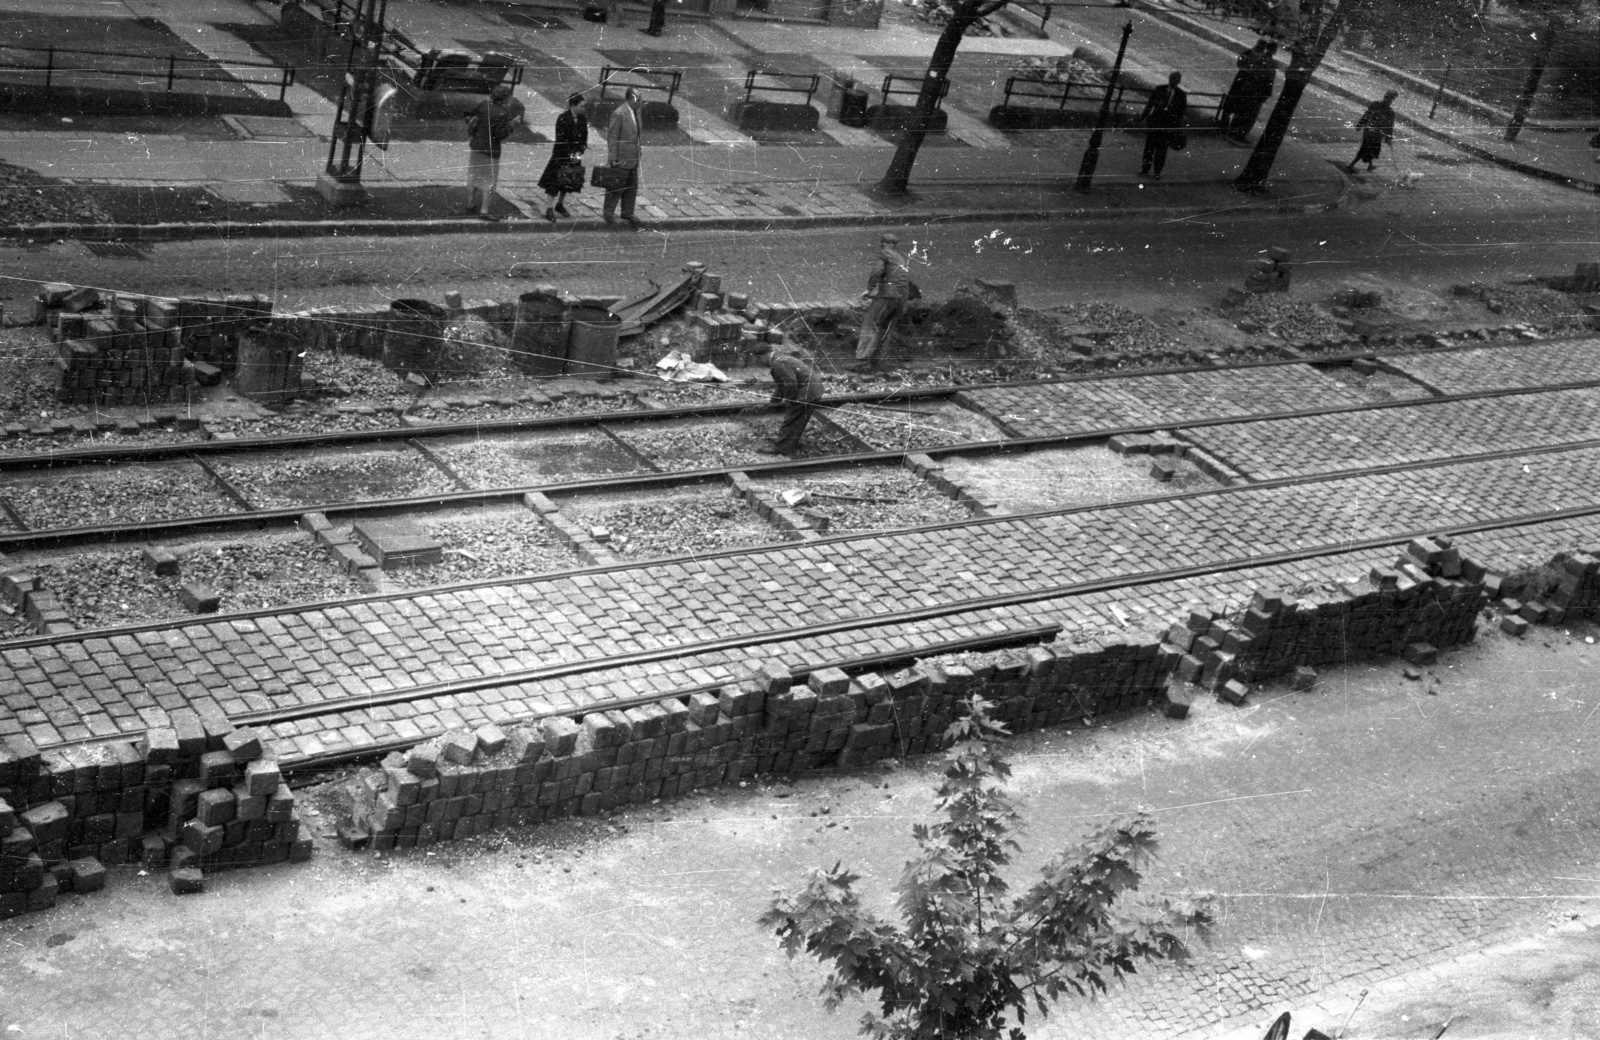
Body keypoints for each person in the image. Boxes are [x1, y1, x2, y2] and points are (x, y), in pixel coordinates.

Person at [463, 83, 526, 220]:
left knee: (473, 176)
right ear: (505, 98)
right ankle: (484, 211)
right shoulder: (503, 113)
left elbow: (470, 116)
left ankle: (470, 204)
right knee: (489, 181)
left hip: (476, 146)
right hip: (491, 151)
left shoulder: (483, 105)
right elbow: (499, 135)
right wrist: (512, 124)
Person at [851, 232, 910, 373]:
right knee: (885, 329)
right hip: (902, 298)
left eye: (883, 243)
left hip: (888, 295)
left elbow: (877, 272)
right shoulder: (900, 258)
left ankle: (862, 362)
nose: (883, 246)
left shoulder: (884, 254)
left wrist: (870, 290)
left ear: (883, 244)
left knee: (869, 324)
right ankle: (876, 362)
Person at [759, 341, 823, 456]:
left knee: (791, 419)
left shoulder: (777, 363)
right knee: (798, 420)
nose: (759, 362)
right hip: (814, 389)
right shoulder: (780, 359)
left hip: (807, 391)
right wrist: (773, 402)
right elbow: (782, 385)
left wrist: (789, 400)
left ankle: (782, 449)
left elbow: (790, 383)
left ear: (764, 356)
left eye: (758, 359)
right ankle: (790, 445)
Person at [537, 93, 589, 222]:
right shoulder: (563, 118)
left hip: (575, 156)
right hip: (561, 155)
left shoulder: (582, 119)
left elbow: (584, 138)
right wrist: (571, 154)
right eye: (581, 106)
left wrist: (579, 152)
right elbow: (561, 140)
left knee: (568, 182)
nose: (584, 108)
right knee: (554, 183)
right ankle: (549, 207)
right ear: (573, 105)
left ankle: (560, 204)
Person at [1220, 41, 1276, 143]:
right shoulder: (1271, 63)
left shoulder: (1255, 56)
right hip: (1257, 91)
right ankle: (1239, 135)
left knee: (1241, 111)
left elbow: (1242, 63)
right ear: (1274, 51)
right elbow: (1269, 80)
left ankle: (1232, 131)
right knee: (1250, 115)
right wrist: (1267, 93)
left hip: (1246, 88)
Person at [604, 87, 642, 226]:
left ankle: (627, 213)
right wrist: (613, 158)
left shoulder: (636, 112)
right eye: (639, 99)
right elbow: (612, 138)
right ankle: (608, 213)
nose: (641, 102)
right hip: (621, 158)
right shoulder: (619, 114)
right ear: (631, 98)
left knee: (632, 186)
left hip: (633, 157)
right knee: (615, 187)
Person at [1139, 71, 1187, 180]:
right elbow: (1150, 104)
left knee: (1161, 150)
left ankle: (1157, 172)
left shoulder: (1181, 95)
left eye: (1176, 79)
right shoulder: (1159, 89)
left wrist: (1176, 128)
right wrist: (1143, 117)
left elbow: (1180, 114)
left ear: (1179, 81)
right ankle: (1145, 170)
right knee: (1149, 148)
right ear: (1169, 78)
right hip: (1155, 123)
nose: (1174, 81)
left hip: (1167, 126)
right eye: (1172, 78)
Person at [1347, 90, 1398, 174]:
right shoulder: (1389, 112)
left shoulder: (1377, 105)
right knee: (1366, 149)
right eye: (1388, 98)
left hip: (1372, 133)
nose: (1388, 100)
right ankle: (1351, 165)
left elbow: (1367, 115)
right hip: (1374, 134)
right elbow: (1388, 127)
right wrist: (1388, 138)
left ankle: (1370, 165)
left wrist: (1360, 124)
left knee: (1370, 149)